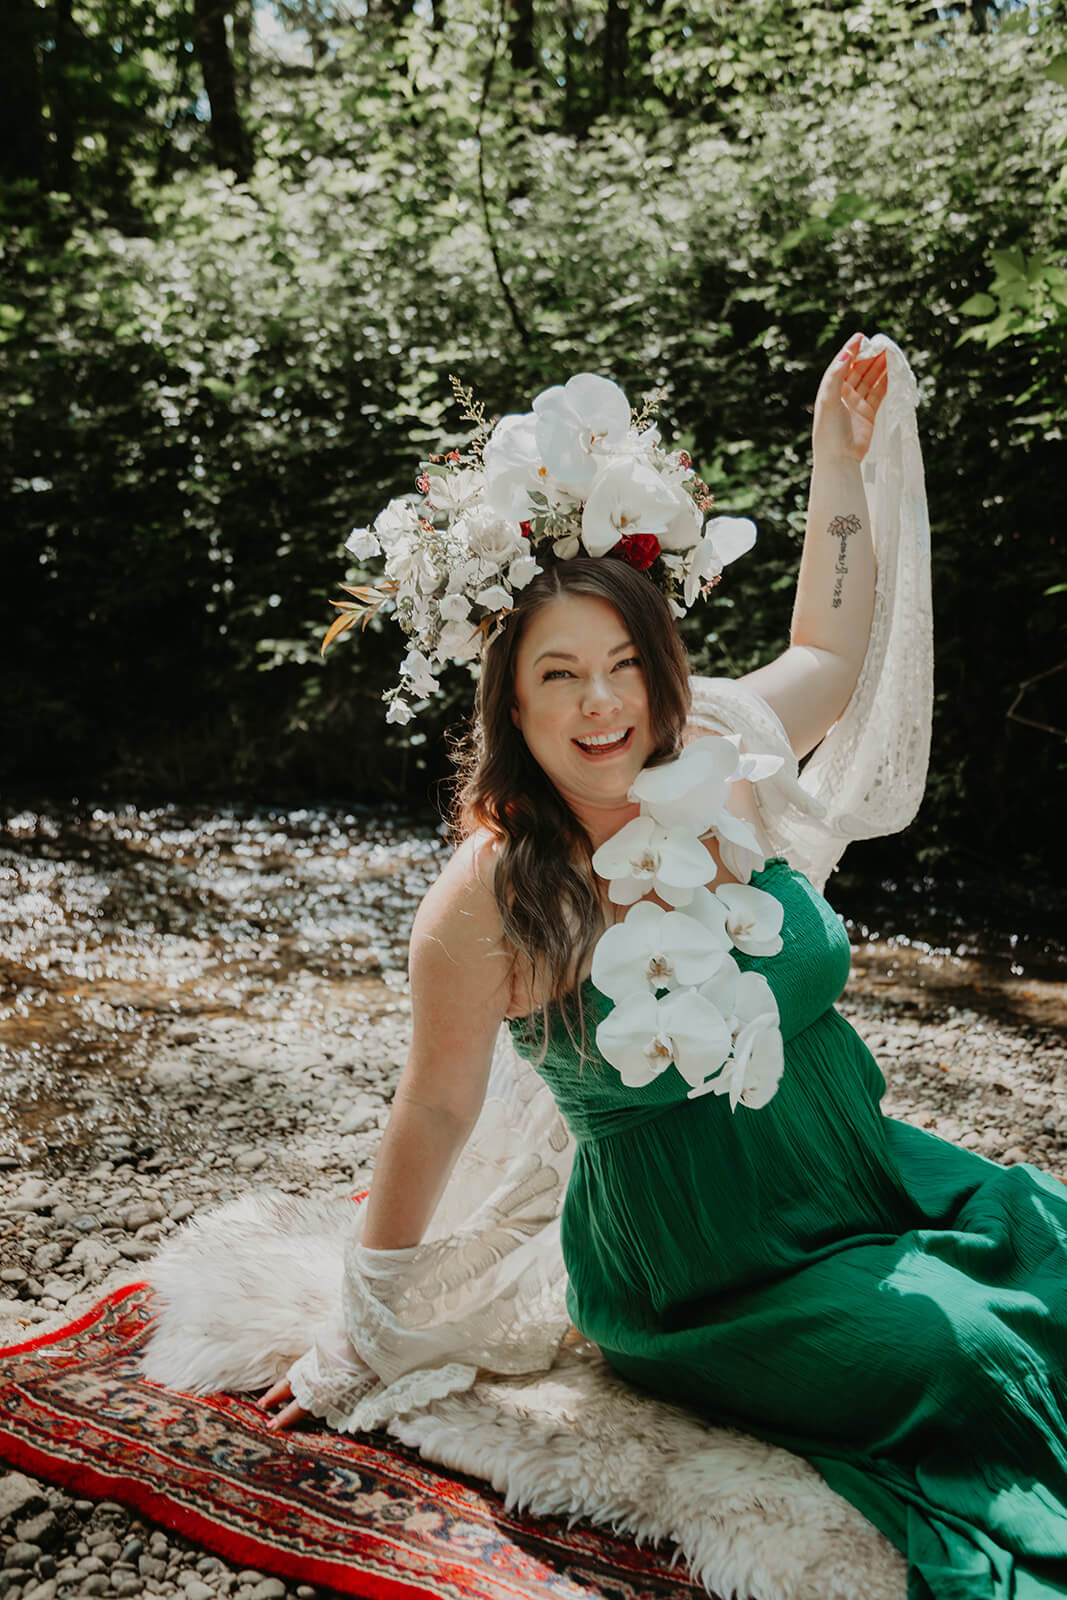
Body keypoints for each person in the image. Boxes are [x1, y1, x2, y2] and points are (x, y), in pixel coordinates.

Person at [144, 336, 1067, 1600]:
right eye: (558, 676)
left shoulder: (726, 754)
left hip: (862, 1173)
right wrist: (357, 1340)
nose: (602, 705)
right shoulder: (491, 897)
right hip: (700, 1268)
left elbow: (831, 651)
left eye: (627, 665)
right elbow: (434, 1109)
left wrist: (833, 460)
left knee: (1048, 1248)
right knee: (962, 1351)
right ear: (510, 707)